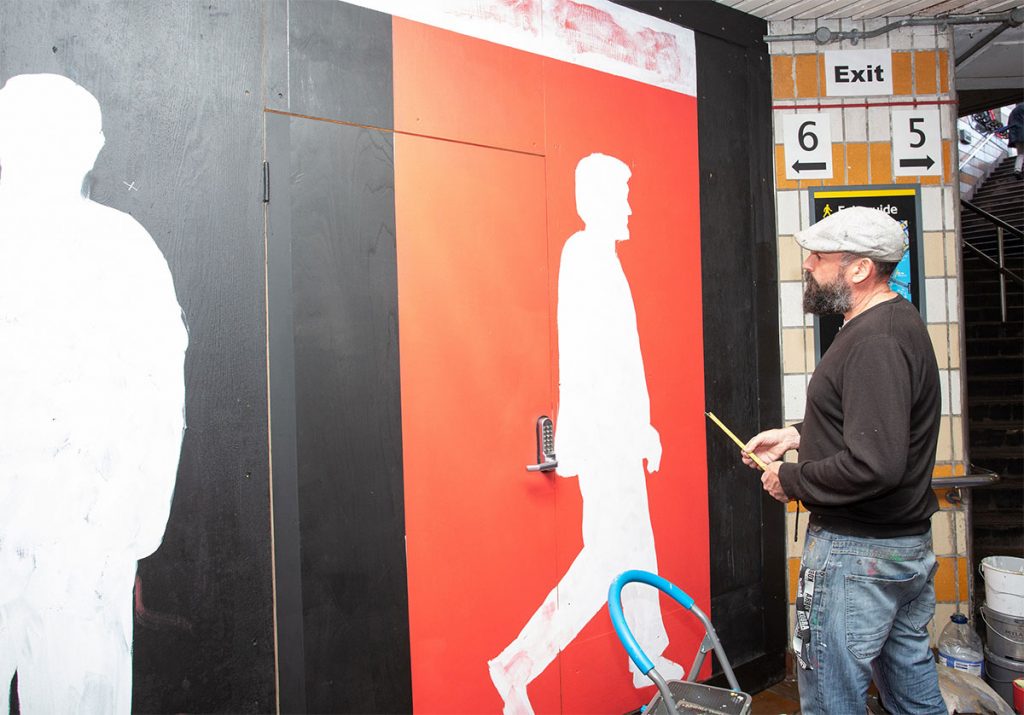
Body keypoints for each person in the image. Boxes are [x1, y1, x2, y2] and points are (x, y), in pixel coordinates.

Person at [0, 74, 187, 713]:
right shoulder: (124, 248)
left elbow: (160, 397)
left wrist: (124, 531)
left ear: (93, 148)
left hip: (81, 542)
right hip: (69, 536)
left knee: (78, 696)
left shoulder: (124, 250)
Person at [488, 153, 681, 714]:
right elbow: (588, 360)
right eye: (621, 196)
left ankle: (645, 657)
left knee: (633, 547)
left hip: (619, 435)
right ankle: (515, 665)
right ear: (596, 201)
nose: (628, 207)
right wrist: (601, 434)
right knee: (604, 561)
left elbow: (627, 359)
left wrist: (642, 427)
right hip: (602, 439)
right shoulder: (584, 256)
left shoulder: (604, 257)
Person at [742, 206, 946, 714]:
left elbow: (875, 463)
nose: (807, 264)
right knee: (910, 690)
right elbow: (872, 424)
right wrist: (795, 436)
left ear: (859, 269)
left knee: (832, 696)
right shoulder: (891, 322)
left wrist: (793, 480)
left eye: (818, 255)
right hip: (898, 550)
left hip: (858, 556)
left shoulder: (876, 339)